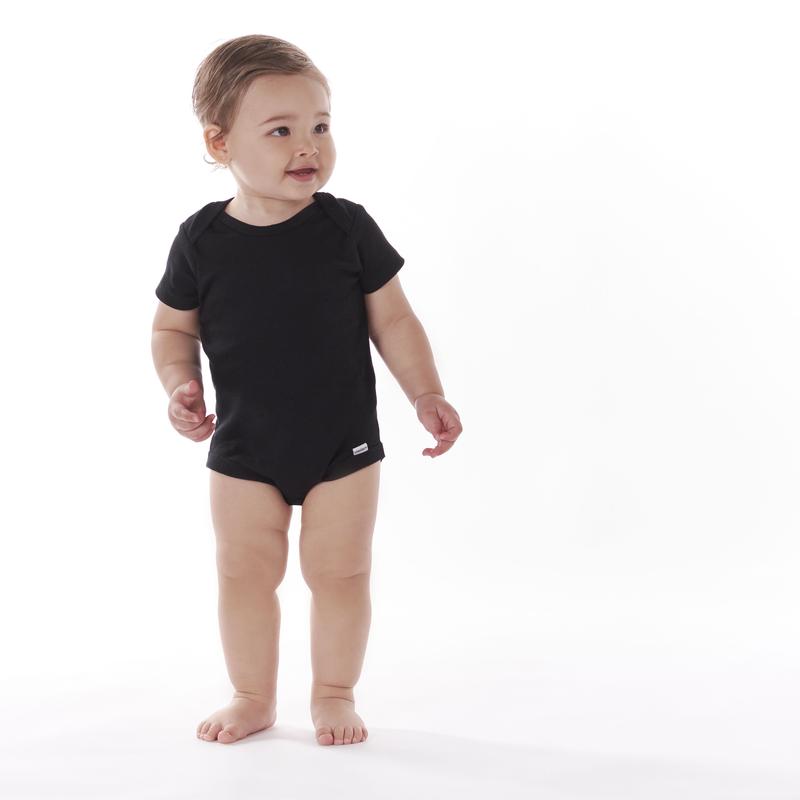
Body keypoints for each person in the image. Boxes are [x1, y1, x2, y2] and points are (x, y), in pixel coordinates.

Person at [151, 34, 463, 747]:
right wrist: (179, 384)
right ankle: (251, 695)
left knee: (341, 573)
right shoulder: (200, 239)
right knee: (243, 574)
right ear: (220, 142)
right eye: (281, 130)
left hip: (341, 445)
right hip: (244, 446)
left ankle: (333, 692)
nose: (308, 146)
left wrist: (425, 393)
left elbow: (394, 319)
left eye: (320, 126)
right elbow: (170, 329)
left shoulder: (346, 227)